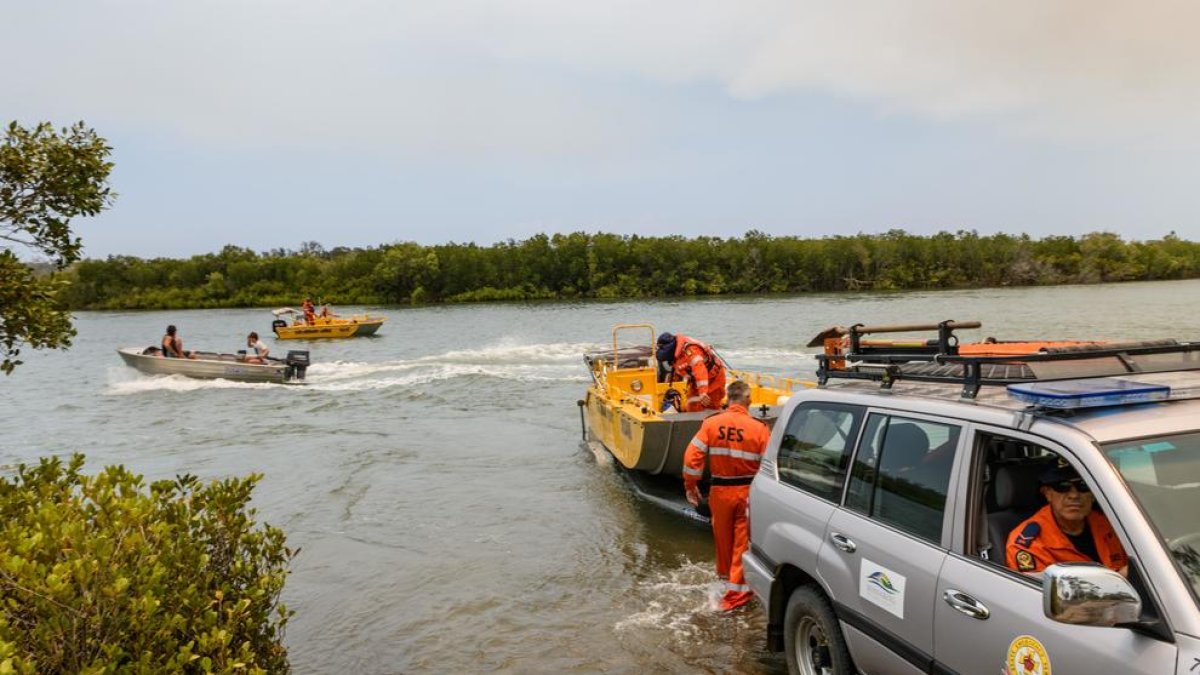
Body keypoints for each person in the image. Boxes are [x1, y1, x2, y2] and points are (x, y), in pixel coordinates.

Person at [682, 381, 771, 611]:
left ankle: (724, 583)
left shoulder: (711, 423)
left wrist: (691, 486)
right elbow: (769, 468)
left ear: (727, 399)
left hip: (720, 493)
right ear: (748, 400)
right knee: (742, 543)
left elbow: (692, 458)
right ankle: (735, 597)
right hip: (747, 492)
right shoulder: (760, 428)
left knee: (723, 540)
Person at [1005, 457, 1129, 577]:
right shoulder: (1027, 544)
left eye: (1083, 485)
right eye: (1062, 486)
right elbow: (1042, 590)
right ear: (1047, 493)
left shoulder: (1113, 523)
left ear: (1093, 494)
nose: (1074, 495)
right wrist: (1121, 576)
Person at [656, 332, 727, 412]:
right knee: (691, 405)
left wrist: (703, 392)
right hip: (696, 382)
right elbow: (679, 368)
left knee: (710, 407)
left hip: (714, 379)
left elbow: (700, 369)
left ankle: (719, 414)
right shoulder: (677, 353)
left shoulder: (691, 351)